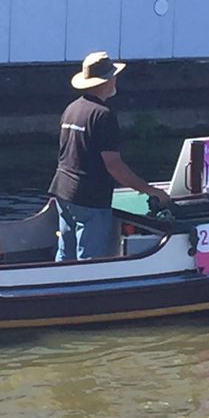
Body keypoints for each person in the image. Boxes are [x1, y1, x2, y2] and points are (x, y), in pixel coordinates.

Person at [49, 51, 171, 261]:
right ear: (107, 80)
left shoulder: (72, 109)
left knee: (65, 255)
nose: (116, 79)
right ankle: (86, 292)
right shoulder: (103, 115)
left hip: (63, 190)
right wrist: (150, 190)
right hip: (90, 197)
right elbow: (114, 165)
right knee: (90, 260)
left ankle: (59, 290)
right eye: (114, 75)